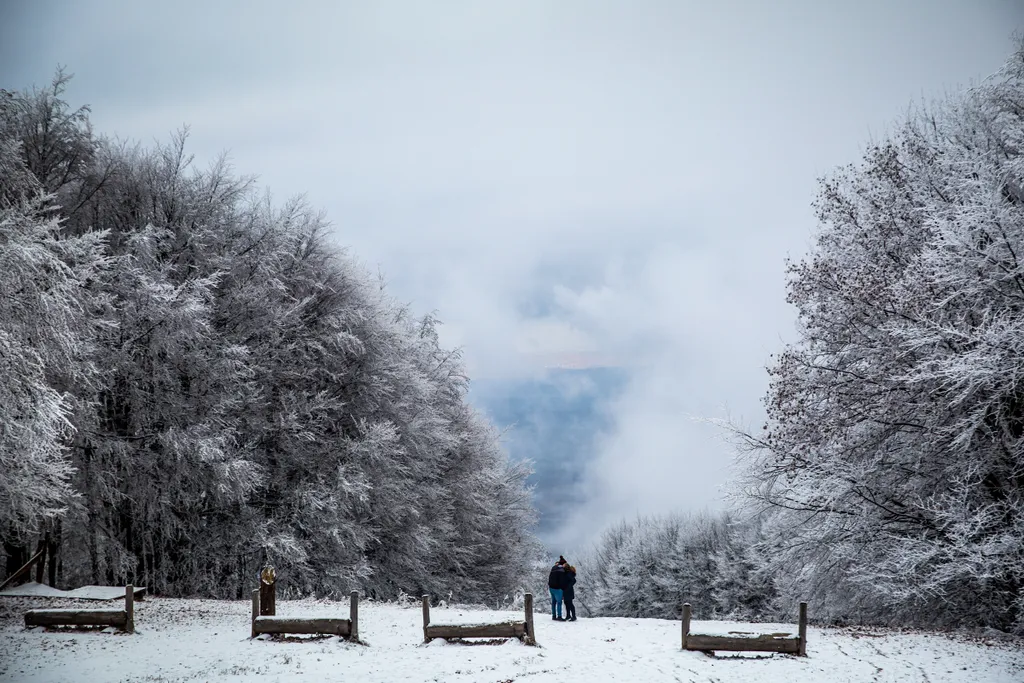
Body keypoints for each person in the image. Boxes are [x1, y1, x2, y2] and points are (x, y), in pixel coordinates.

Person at [547, 556, 567, 620]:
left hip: (551, 588)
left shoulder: (553, 568)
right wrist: (563, 588)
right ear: (563, 564)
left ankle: (554, 616)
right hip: (558, 589)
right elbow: (562, 581)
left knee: (553, 602)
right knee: (559, 602)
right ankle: (559, 616)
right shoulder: (562, 570)